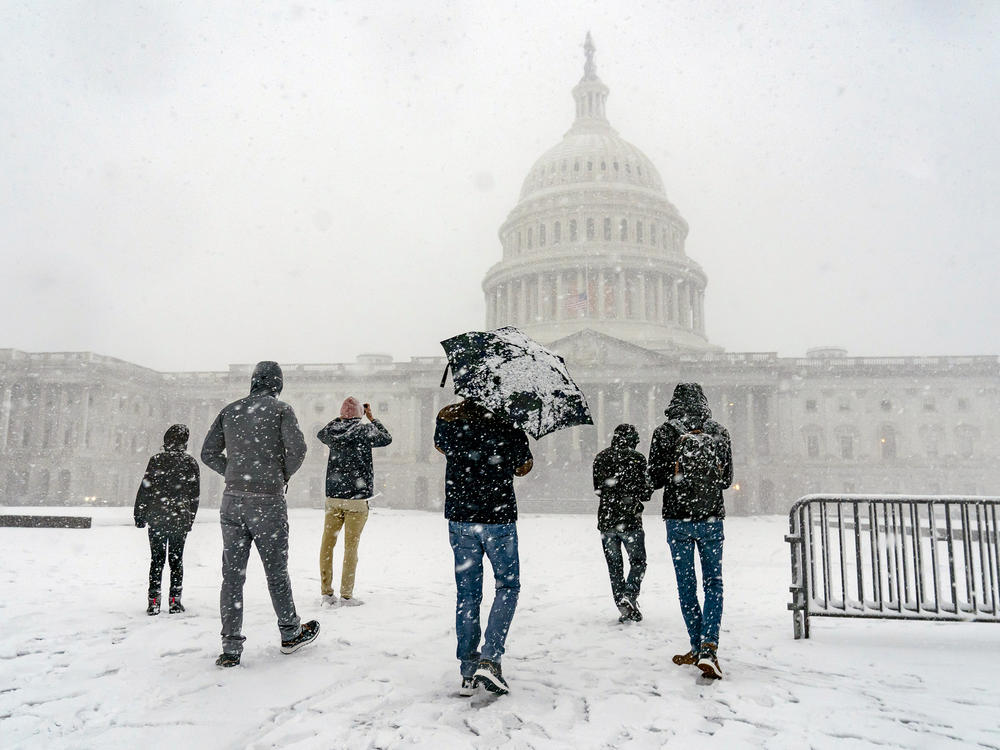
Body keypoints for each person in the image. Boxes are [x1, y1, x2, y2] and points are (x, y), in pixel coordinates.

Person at [201, 360, 320, 668]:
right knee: (276, 571)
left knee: (232, 576)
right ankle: (290, 632)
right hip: (268, 501)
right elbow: (298, 450)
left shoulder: (231, 410)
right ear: (277, 384)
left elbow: (207, 452)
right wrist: (280, 475)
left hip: (233, 501)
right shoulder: (281, 410)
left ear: (253, 382)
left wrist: (233, 472)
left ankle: (230, 646)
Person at [434, 398, 533, 697]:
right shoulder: (510, 423)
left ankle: (467, 667)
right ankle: (490, 658)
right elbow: (523, 468)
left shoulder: (450, 419)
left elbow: (441, 447)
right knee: (507, 586)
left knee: (467, 594)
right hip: (498, 517)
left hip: (462, 517)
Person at [647, 382, 733, 680]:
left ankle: (698, 647)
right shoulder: (719, 431)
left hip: (678, 517)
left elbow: (655, 479)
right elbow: (727, 479)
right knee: (714, 583)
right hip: (711, 517)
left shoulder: (665, 432)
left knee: (687, 585)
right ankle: (709, 646)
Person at [316, 397, 392, 605]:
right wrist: (371, 418)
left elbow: (321, 433)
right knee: (351, 548)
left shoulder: (332, 431)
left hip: (333, 496)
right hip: (357, 499)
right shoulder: (364, 430)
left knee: (327, 544)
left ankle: (326, 592)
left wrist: (340, 418)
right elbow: (387, 438)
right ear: (359, 414)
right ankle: (347, 595)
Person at [134, 424, 200, 616]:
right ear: (184, 443)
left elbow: (145, 488)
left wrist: (140, 513)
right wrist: (190, 518)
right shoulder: (190, 463)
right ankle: (174, 601)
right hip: (179, 518)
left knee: (157, 560)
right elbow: (194, 495)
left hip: (157, 517)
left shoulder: (156, 460)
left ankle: (154, 602)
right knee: (176, 560)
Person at [592, 423, 650, 623]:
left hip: (607, 520)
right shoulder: (637, 459)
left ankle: (623, 603)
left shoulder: (601, 458)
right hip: (630, 519)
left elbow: (598, 489)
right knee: (638, 562)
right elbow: (646, 492)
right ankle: (630, 595)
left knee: (614, 566)